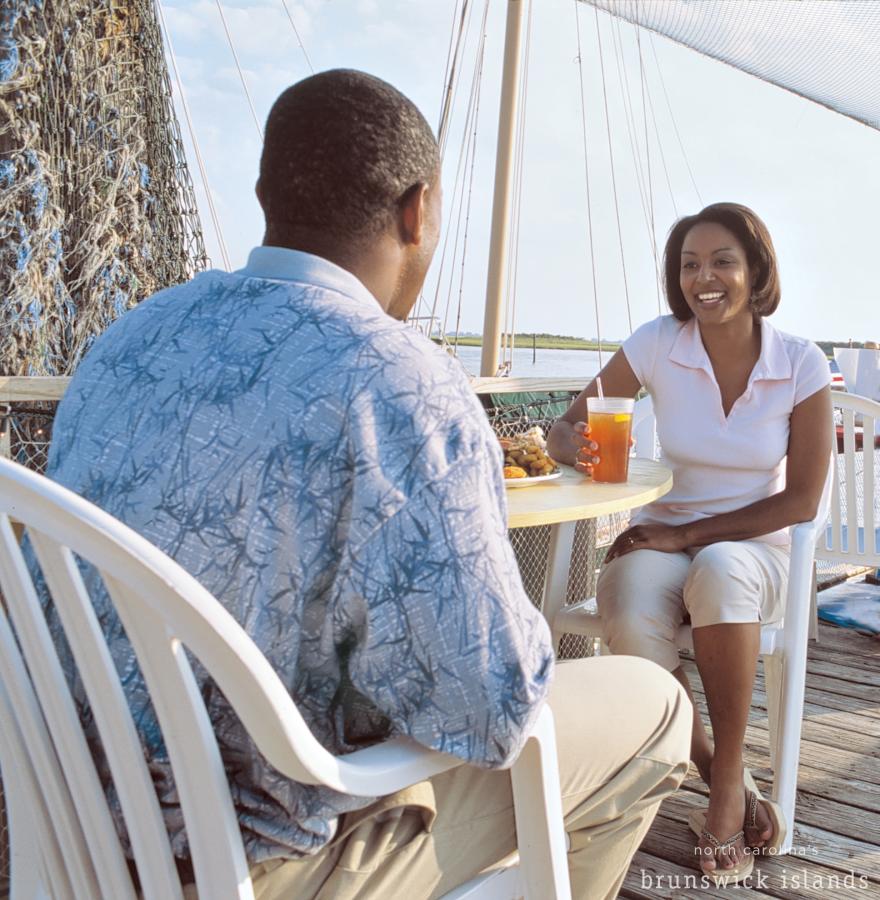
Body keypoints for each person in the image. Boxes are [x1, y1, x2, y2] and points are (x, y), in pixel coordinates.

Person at [44, 69, 690, 898]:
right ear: (418, 210)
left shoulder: (125, 343)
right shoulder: (400, 383)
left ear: (266, 193)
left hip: (73, 815)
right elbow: (494, 711)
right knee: (654, 706)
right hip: (248, 860)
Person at [548, 202, 833, 885]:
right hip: (663, 534)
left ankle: (727, 779)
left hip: (755, 549)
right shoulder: (657, 343)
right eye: (689, 264)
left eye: (722, 261)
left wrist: (688, 532)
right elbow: (565, 427)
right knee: (632, 604)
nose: (704, 278)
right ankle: (720, 776)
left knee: (722, 567)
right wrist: (583, 452)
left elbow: (800, 501)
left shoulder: (801, 363)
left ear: (756, 271)